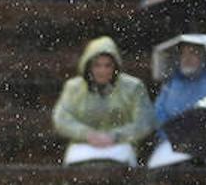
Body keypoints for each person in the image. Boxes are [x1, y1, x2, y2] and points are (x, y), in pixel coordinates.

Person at [51, 36, 152, 166]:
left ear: (115, 66)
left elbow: (144, 121)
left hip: (120, 147)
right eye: (97, 65)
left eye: (107, 65)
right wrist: (87, 134)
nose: (102, 71)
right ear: (88, 66)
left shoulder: (134, 87)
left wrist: (115, 136)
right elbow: (61, 118)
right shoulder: (73, 87)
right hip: (82, 147)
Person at [147, 35, 206, 168]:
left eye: (193, 53)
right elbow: (158, 116)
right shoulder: (171, 84)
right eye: (183, 54)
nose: (187, 58)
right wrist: (174, 139)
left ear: (205, 56)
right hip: (171, 146)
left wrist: (200, 140)